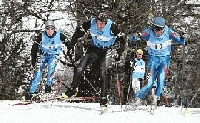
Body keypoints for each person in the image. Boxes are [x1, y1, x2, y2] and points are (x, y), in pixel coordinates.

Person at [62, 12, 122, 109]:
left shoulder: (112, 26)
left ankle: (103, 98)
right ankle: (73, 89)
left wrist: (119, 52)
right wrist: (71, 45)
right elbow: (78, 32)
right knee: (80, 68)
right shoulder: (91, 22)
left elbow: (122, 40)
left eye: (101, 24)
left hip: (107, 51)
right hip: (94, 48)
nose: (98, 25)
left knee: (103, 72)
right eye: (97, 23)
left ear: (105, 23)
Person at [130, 17, 186, 109]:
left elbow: (180, 40)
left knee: (161, 82)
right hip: (153, 60)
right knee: (149, 83)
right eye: (156, 29)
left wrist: (183, 38)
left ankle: (155, 100)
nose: (158, 32)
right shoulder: (148, 32)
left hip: (164, 61)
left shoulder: (169, 32)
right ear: (153, 27)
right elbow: (139, 35)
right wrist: (133, 37)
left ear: (163, 28)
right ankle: (138, 99)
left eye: (160, 29)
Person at [25, 20, 68, 100]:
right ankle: (31, 93)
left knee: (51, 68)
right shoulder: (41, 36)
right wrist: (33, 61)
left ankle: (48, 87)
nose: (49, 31)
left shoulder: (59, 35)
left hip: (53, 56)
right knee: (38, 73)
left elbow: (69, 43)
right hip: (43, 56)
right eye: (47, 29)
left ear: (54, 29)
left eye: (51, 29)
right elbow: (34, 49)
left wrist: (70, 52)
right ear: (45, 29)